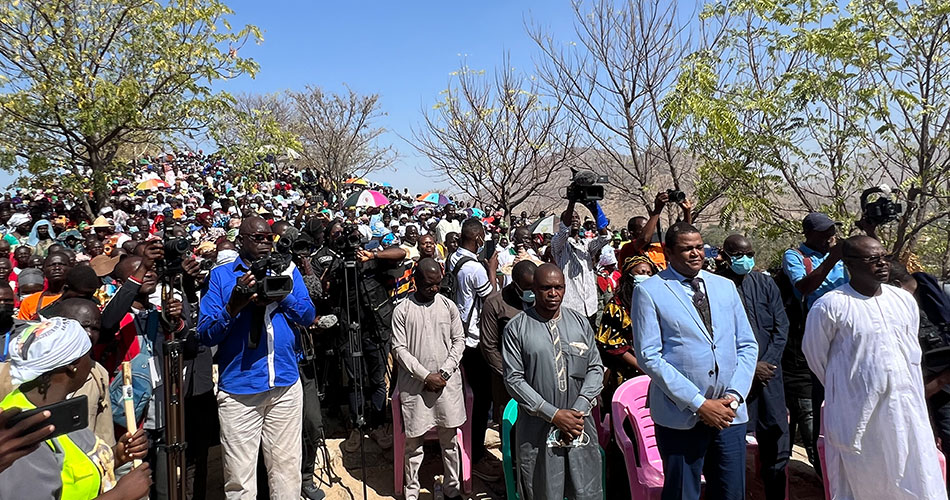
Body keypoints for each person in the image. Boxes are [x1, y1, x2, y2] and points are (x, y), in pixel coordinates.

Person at [803, 236, 947, 500]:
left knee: (915, 475)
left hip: (906, 408)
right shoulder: (831, 305)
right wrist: (854, 387)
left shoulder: (903, 300)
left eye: (884, 257)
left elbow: (911, 351)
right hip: (859, 414)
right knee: (868, 480)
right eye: (872, 259)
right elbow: (816, 357)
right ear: (849, 264)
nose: (882, 264)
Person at [631, 222, 758, 500]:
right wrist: (700, 404)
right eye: (687, 249)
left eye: (699, 247)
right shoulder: (650, 291)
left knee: (730, 492)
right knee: (683, 493)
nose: (695, 254)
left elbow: (747, 345)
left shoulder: (724, 287)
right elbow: (649, 356)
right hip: (681, 417)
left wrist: (734, 396)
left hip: (729, 414)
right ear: (668, 252)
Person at [198, 216, 315, 500]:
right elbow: (205, 333)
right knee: (240, 479)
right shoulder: (221, 276)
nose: (265, 243)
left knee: (287, 471)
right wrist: (233, 306)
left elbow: (308, 314)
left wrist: (282, 296)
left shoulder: (287, 270)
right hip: (240, 392)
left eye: (268, 238)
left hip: (285, 385)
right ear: (241, 241)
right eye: (257, 238)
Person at [0, 317, 152, 500]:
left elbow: (74, 470)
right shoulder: (22, 432)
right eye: (89, 355)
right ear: (72, 365)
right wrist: (119, 496)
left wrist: (117, 456)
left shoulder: (60, 409)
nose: (92, 363)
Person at [502, 263, 604, 500]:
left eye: (558, 287)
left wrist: (577, 411)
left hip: (579, 424)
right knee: (544, 490)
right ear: (534, 290)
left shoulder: (579, 322)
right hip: (538, 426)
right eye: (546, 288)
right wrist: (554, 414)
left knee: (585, 490)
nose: (553, 293)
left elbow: (595, 367)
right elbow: (514, 379)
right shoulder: (517, 328)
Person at [717, 234, 790, 500]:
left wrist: (767, 362)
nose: (745, 260)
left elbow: (781, 327)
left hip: (769, 376)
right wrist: (749, 368)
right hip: (736, 380)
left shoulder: (765, 283)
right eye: (739, 255)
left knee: (776, 438)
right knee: (733, 441)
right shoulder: (716, 286)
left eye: (750, 255)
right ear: (725, 256)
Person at [391, 258, 466, 500]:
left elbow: (459, 341)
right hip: (416, 387)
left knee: (450, 442)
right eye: (428, 285)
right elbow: (399, 349)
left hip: (446, 385)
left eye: (437, 284)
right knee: (413, 445)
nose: (434, 289)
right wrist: (425, 376)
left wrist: (443, 373)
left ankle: (452, 489)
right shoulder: (402, 310)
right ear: (415, 281)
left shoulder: (448, 306)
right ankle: (412, 491)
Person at [781, 212, 848, 468]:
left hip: (845, 331)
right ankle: (821, 461)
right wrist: (832, 259)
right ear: (809, 234)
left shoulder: (840, 254)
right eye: (824, 233)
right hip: (817, 332)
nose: (830, 237)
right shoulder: (796, 256)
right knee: (820, 396)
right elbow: (804, 287)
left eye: (832, 232)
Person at [448, 217, 500, 481]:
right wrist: (492, 269)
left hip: (459, 334)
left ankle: (468, 444)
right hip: (474, 340)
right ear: (478, 237)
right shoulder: (475, 269)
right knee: (481, 399)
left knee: (470, 395)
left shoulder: (454, 258)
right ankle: (476, 455)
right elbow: (492, 299)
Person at [480, 260, 537, 420]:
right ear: (515, 284)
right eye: (527, 288)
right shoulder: (495, 304)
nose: (532, 292)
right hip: (507, 379)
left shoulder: (540, 299)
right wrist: (511, 375)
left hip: (537, 376)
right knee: (509, 422)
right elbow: (489, 346)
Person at [595, 255, 656, 405]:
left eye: (649, 273)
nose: (646, 276)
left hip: (654, 367)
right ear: (629, 275)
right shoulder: (616, 306)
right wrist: (642, 367)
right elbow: (610, 343)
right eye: (641, 272)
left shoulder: (655, 302)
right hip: (625, 371)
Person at [551, 198, 610, 324]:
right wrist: (571, 202)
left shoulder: (586, 244)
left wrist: (596, 210)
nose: (574, 220)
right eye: (570, 218)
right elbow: (564, 231)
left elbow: (605, 237)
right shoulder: (559, 245)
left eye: (577, 217)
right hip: (571, 307)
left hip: (590, 306)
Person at [17, 252, 72, 320]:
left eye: (62, 264)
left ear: (70, 268)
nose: (57, 268)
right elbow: (22, 325)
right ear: (44, 269)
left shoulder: (76, 298)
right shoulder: (29, 301)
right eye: (52, 265)